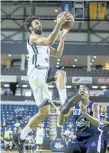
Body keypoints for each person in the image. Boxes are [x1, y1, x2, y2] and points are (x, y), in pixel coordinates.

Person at [13, 13, 74, 153]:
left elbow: (58, 54)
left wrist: (62, 38)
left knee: (43, 113)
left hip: (38, 78)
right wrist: (58, 24)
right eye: (36, 23)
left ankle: (20, 137)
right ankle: (64, 102)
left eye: (39, 23)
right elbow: (48, 41)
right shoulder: (32, 38)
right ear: (30, 28)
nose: (39, 24)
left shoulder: (44, 42)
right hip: (37, 72)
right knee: (61, 73)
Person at [59, 85, 105, 153]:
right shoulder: (73, 107)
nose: (82, 91)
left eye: (84, 89)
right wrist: (62, 113)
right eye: (80, 90)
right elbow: (61, 123)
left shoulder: (94, 105)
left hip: (92, 137)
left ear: (88, 93)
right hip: (78, 138)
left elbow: (97, 123)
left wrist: (86, 115)